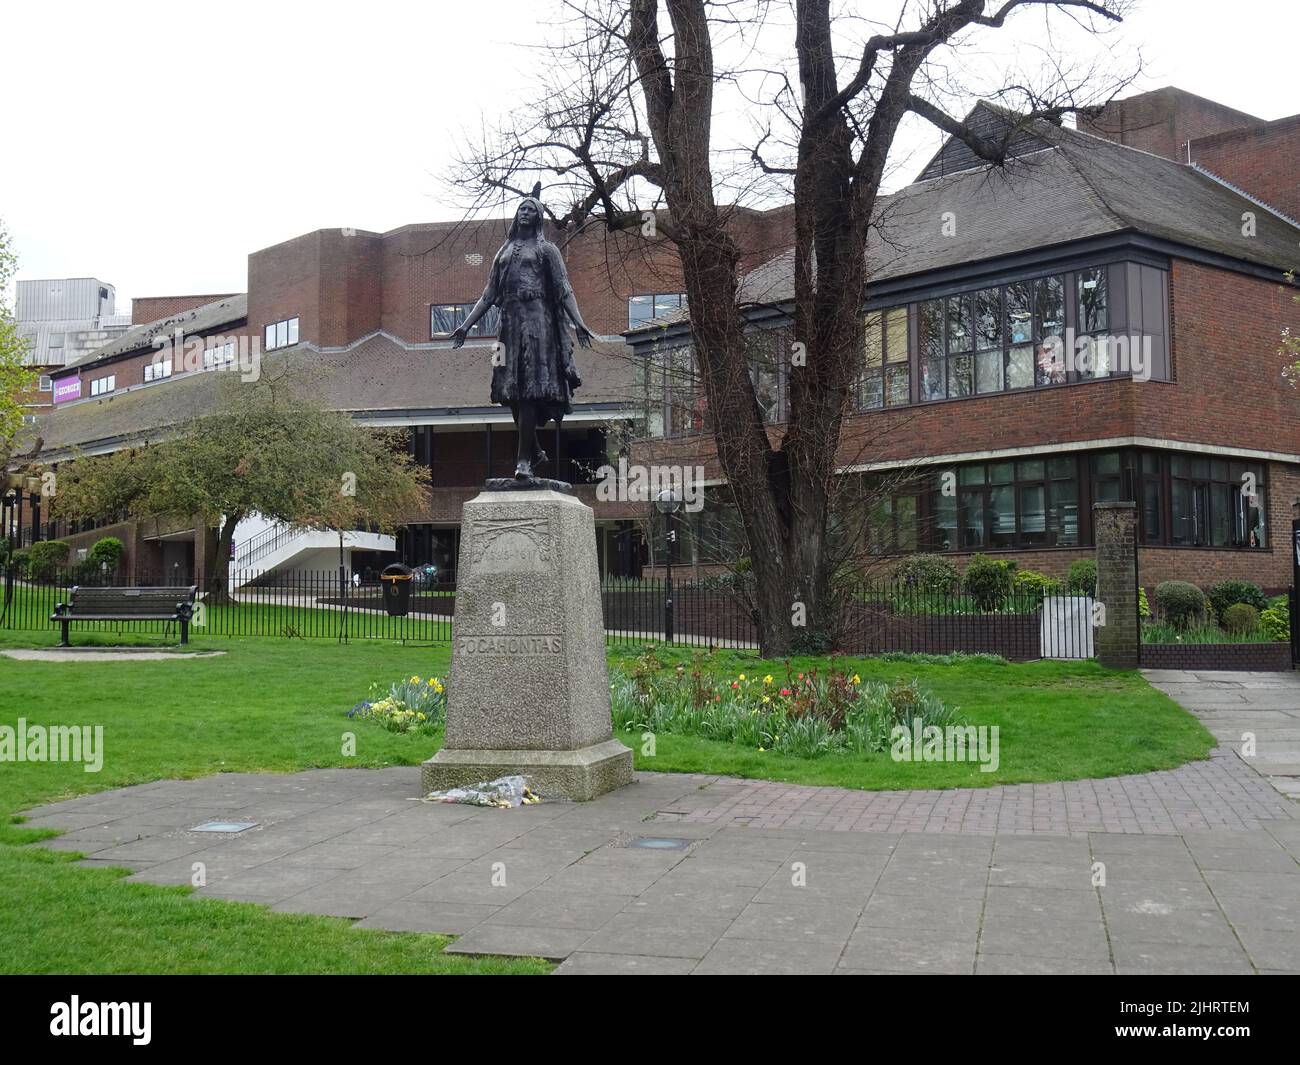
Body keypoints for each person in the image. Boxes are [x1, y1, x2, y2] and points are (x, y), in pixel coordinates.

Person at [451, 184, 595, 480]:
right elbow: (489, 293)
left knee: (529, 390)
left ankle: (524, 462)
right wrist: (466, 324)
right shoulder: (503, 251)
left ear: (539, 217)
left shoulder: (547, 250)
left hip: (537, 324)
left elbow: (564, 290)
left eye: (531, 209)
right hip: (508, 327)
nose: (526, 213)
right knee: (511, 392)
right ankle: (536, 450)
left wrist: (579, 322)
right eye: (522, 209)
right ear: (516, 216)